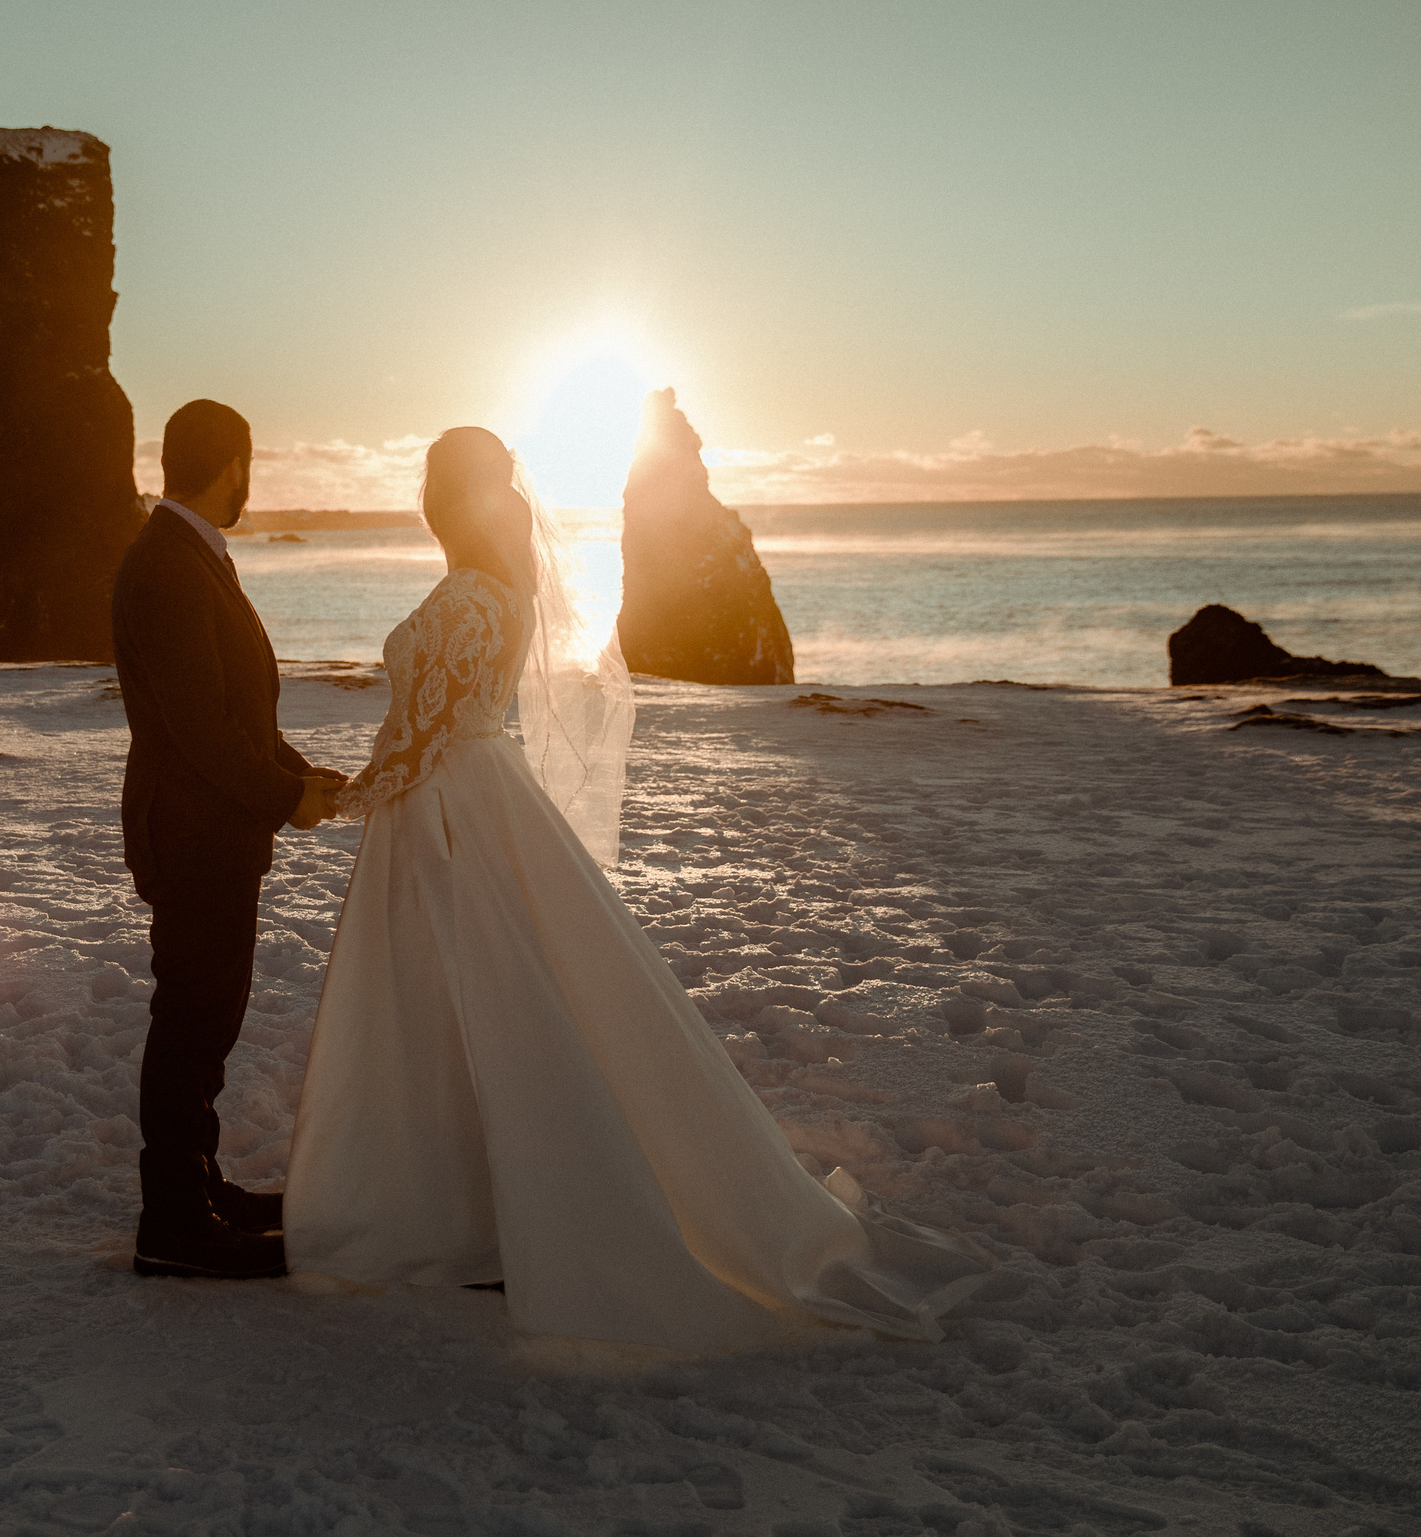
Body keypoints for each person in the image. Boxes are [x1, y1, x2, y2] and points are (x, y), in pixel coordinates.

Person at [283, 426, 991, 1351]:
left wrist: (340, 799)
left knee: (468, 1000)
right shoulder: (504, 591)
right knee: (479, 999)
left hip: (444, 813)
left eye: (437, 484)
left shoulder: (468, 600)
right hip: (469, 801)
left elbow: (421, 735)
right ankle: (475, 1208)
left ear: (448, 496)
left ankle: (469, 1211)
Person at [111, 399, 345, 1280]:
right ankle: (172, 1220)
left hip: (212, 823)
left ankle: (197, 1183)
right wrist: (288, 798)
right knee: (191, 1016)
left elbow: (238, 711)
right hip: (192, 826)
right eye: (250, 463)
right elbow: (203, 729)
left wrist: (300, 772)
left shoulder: (189, 555)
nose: (254, 481)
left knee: (209, 1009)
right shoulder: (168, 566)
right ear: (231, 463)